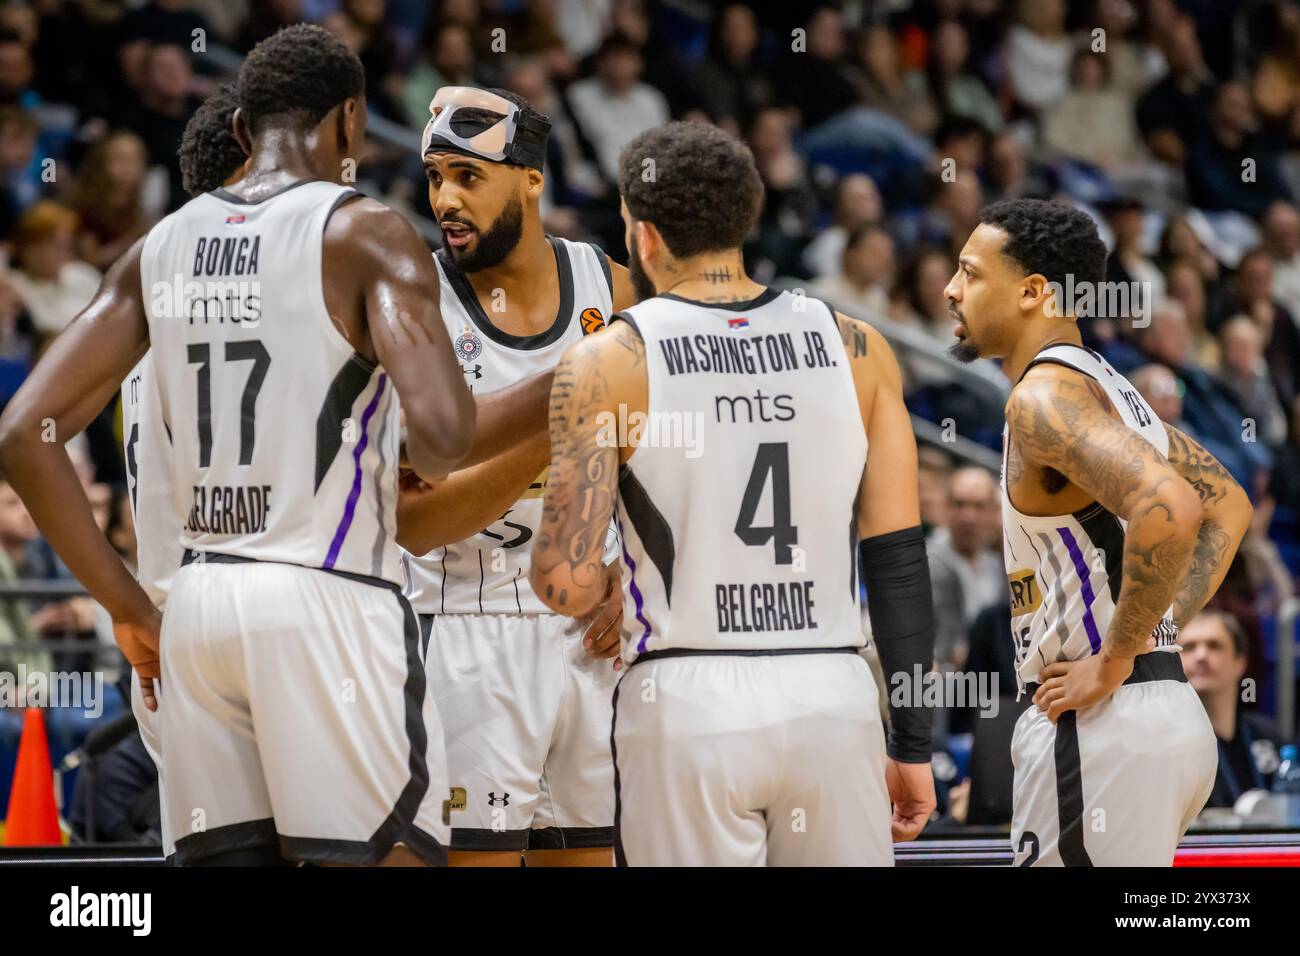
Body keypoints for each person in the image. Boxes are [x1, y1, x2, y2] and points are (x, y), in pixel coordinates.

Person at [0, 24, 480, 867]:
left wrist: (126, 607)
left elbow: (23, 434)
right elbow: (443, 442)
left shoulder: (159, 248)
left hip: (195, 607)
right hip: (325, 597)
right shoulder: (363, 230)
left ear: (238, 131)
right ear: (353, 121)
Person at [532, 121, 937, 866]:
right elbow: (900, 563)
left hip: (687, 700)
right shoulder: (859, 347)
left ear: (643, 235)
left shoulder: (608, 360)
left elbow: (563, 580)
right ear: (746, 221)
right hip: (834, 693)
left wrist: (621, 581)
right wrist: (913, 742)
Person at [944, 198, 1254, 865]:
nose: (949, 289)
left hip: (1104, 727)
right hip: (1157, 711)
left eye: (969, 273)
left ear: (1032, 292)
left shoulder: (1045, 398)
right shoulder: (1111, 388)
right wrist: (1149, 634)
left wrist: (1115, 659)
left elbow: (1173, 503)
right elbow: (1229, 503)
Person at [398, 86, 637, 867]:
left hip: (590, 633)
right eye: (435, 179)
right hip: (466, 625)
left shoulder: (614, 286)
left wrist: (624, 573)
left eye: (468, 177)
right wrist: (561, 424)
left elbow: (660, 459)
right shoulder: (415, 302)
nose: (445, 200)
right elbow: (419, 519)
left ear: (531, 178)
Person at [1179, 609, 1287, 809]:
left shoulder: (1267, 736)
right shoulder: (1170, 743)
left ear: (1240, 662)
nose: (1201, 655)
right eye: (1189, 647)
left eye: (1214, 646)